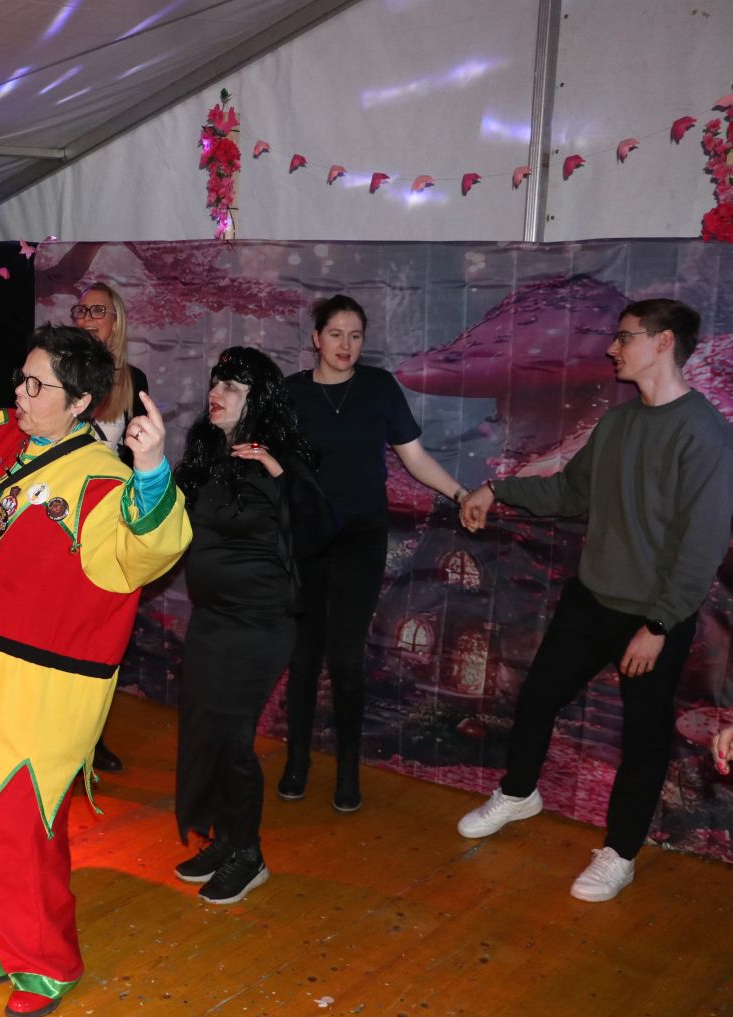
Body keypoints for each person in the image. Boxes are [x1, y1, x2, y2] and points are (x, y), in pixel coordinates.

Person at [0, 283, 191, 1017]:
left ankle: (46, 961)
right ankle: (3, 941)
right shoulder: (1, 440)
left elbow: (148, 550)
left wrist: (153, 473)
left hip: (42, 685)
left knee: (21, 820)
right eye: (21, 380)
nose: (19, 395)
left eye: (37, 387)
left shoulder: (102, 483)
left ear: (81, 402)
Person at [457, 298, 732, 902]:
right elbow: (569, 493)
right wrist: (495, 490)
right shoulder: (617, 424)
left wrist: (659, 625)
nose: (612, 347)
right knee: (538, 698)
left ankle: (621, 852)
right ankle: (520, 793)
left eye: (625, 337)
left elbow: (703, 544)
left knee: (644, 737)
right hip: (591, 599)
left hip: (653, 615)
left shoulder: (706, 434)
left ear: (663, 342)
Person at [281, 294, 467, 812]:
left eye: (355, 335)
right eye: (335, 334)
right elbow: (271, 464)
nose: (346, 345)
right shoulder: (291, 393)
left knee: (345, 658)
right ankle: (297, 761)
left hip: (361, 537)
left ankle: (347, 769)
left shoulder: (379, 387)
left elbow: (415, 458)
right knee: (303, 656)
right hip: (307, 540)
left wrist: (460, 494)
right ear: (316, 338)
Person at [170, 348, 336, 904]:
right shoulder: (205, 451)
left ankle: (248, 854)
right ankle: (224, 838)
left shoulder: (279, 457)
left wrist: (277, 471)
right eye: (216, 382)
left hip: (259, 625)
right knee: (203, 731)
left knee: (232, 739)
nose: (217, 393)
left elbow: (320, 528)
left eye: (233, 388)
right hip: (211, 619)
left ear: (257, 400)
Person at [71, 281, 148, 772]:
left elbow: (141, 458)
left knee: (101, 633)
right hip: (61, 515)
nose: (86, 318)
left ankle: (91, 737)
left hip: (107, 520)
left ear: (116, 321)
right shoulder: (58, 373)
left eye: (97, 310)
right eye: (80, 311)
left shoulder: (132, 380)